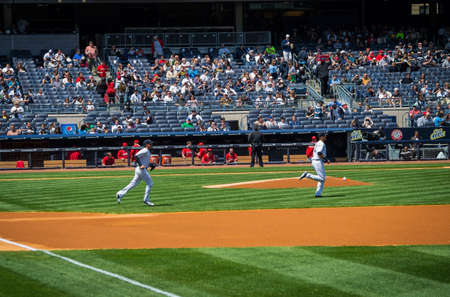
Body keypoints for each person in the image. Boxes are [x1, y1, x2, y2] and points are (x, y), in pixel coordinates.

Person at [116, 139, 156, 206]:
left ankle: (120, 194)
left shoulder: (147, 151)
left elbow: (144, 161)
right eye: (150, 144)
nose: (152, 145)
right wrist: (141, 165)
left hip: (139, 169)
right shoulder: (145, 150)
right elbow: (136, 156)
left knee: (133, 184)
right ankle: (146, 200)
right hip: (141, 170)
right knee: (150, 183)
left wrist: (151, 165)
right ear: (147, 145)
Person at [298, 133, 329, 197]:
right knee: (322, 178)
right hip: (317, 161)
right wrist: (325, 159)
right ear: (321, 137)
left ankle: (318, 194)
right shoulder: (321, 143)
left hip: (316, 161)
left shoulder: (318, 143)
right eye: (324, 136)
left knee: (321, 179)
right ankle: (308, 175)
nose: (325, 137)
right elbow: (319, 153)